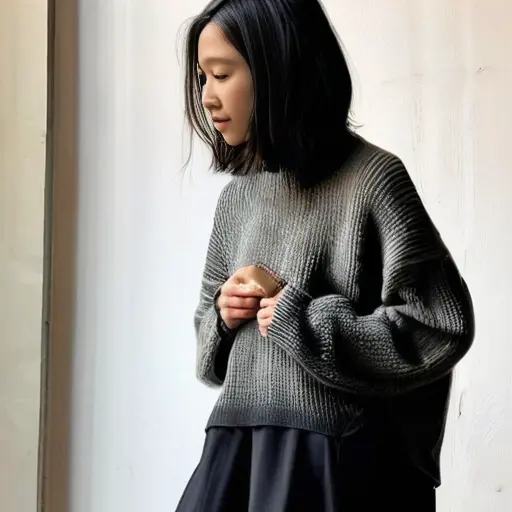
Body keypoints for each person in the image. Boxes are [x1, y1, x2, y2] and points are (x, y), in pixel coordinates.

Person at [176, 0, 475, 510]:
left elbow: (440, 326)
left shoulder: (374, 180)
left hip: (334, 460)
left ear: (279, 68)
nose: (206, 96)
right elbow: (209, 357)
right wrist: (223, 317)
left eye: (221, 75)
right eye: (202, 77)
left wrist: (300, 317)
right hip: (239, 449)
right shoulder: (236, 201)